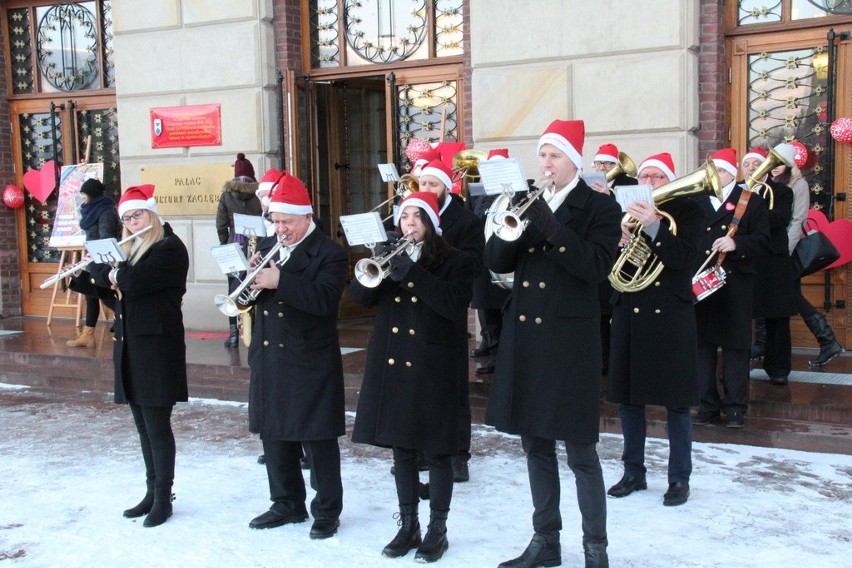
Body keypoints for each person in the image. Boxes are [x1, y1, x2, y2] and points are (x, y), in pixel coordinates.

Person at [485, 119, 621, 568]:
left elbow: (595, 267)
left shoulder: (599, 207)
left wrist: (546, 223)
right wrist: (508, 226)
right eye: (542, 155)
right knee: (535, 446)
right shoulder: (528, 201)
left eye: (554, 155)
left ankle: (595, 548)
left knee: (581, 451)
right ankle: (546, 541)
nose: (545, 163)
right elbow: (497, 262)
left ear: (573, 162)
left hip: (569, 342)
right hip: (527, 339)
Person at [350, 191, 478, 562]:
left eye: (416, 216)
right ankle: (408, 525)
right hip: (393, 363)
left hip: (434, 366)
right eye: (404, 216)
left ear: (431, 224)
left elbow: (452, 305)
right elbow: (360, 298)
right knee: (402, 450)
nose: (408, 223)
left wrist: (412, 273)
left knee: (438, 453)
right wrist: (376, 262)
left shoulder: (458, 260)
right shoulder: (391, 258)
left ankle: (438, 529)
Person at [68, 184, 189, 528]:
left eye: (138, 215)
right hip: (131, 345)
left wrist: (106, 271)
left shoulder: (169, 247)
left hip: (157, 347)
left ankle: (164, 498)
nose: (133, 223)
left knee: (157, 425)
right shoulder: (132, 251)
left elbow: (133, 282)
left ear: (151, 213)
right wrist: (81, 279)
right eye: (128, 218)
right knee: (142, 426)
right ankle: (152, 491)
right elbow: (118, 294)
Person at [245, 171, 348, 541]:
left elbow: (325, 302)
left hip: (309, 358)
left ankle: (327, 509)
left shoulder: (330, 253)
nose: (280, 229)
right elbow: (254, 300)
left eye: (287, 222)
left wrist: (280, 282)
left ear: (306, 217)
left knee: (318, 439)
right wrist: (252, 280)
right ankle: (286, 502)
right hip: (271, 354)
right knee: (274, 434)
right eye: (275, 221)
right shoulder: (273, 248)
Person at [605, 152, 703, 507]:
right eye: (644, 176)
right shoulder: (626, 213)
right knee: (630, 401)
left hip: (670, 315)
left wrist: (653, 227)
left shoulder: (689, 210)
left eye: (656, 177)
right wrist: (617, 243)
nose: (647, 182)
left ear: (670, 181)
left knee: (676, 403)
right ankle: (633, 471)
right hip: (630, 312)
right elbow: (612, 269)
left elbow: (684, 259)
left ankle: (679, 478)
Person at [692, 149, 770, 428]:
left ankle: (735, 407)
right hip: (702, 281)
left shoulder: (750, 201)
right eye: (711, 171)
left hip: (735, 281)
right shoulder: (696, 201)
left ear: (732, 174)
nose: (716, 176)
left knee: (736, 347)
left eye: (721, 171)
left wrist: (738, 244)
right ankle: (706, 405)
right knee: (702, 346)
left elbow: (764, 241)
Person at [417, 158, 484, 482]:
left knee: (453, 389)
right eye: (423, 184)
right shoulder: (410, 214)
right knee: (416, 385)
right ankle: (418, 449)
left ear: (446, 187)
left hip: (447, 313)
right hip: (415, 313)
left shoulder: (466, 221)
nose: (427, 190)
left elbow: (473, 265)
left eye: (433, 184)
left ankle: (459, 454)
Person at [759, 161, 844, 367]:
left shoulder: (799, 184)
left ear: (789, 165)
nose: (775, 168)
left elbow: (798, 220)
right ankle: (826, 341)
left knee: (790, 296)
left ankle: (828, 341)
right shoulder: (771, 184)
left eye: (780, 164)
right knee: (779, 294)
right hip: (774, 251)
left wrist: (785, 250)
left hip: (788, 249)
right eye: (773, 164)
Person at [741, 146, 796, 385]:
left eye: (756, 164)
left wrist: (752, 211)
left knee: (777, 316)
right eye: (747, 165)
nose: (752, 168)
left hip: (773, 260)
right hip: (748, 257)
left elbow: (781, 219)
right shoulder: (738, 193)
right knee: (741, 315)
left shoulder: (781, 191)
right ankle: (739, 366)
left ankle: (778, 368)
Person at [589, 143, 638, 374]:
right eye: (598, 163)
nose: (602, 167)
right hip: (600, 254)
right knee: (599, 311)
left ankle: (620, 359)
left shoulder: (628, 184)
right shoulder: (586, 184)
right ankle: (601, 359)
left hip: (622, 255)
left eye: (607, 164)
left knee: (617, 311)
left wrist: (610, 195)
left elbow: (634, 213)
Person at [469, 149, 512, 377]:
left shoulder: (511, 193)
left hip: (502, 260)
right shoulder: (480, 195)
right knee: (485, 309)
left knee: (500, 310)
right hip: (482, 259)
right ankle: (490, 345)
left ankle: (500, 355)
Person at [66, 178, 121, 348]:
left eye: (83, 193)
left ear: (91, 194)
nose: (81, 196)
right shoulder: (91, 209)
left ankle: (124, 321)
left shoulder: (104, 210)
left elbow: (106, 236)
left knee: (104, 295)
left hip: (103, 259)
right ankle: (88, 334)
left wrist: (98, 255)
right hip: (93, 257)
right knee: (91, 295)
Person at [216, 166, 262, 348]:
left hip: (234, 245)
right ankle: (255, 331)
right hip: (257, 244)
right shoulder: (258, 195)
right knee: (256, 287)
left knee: (233, 288)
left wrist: (224, 244)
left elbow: (221, 225)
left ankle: (234, 334)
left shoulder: (227, 195)